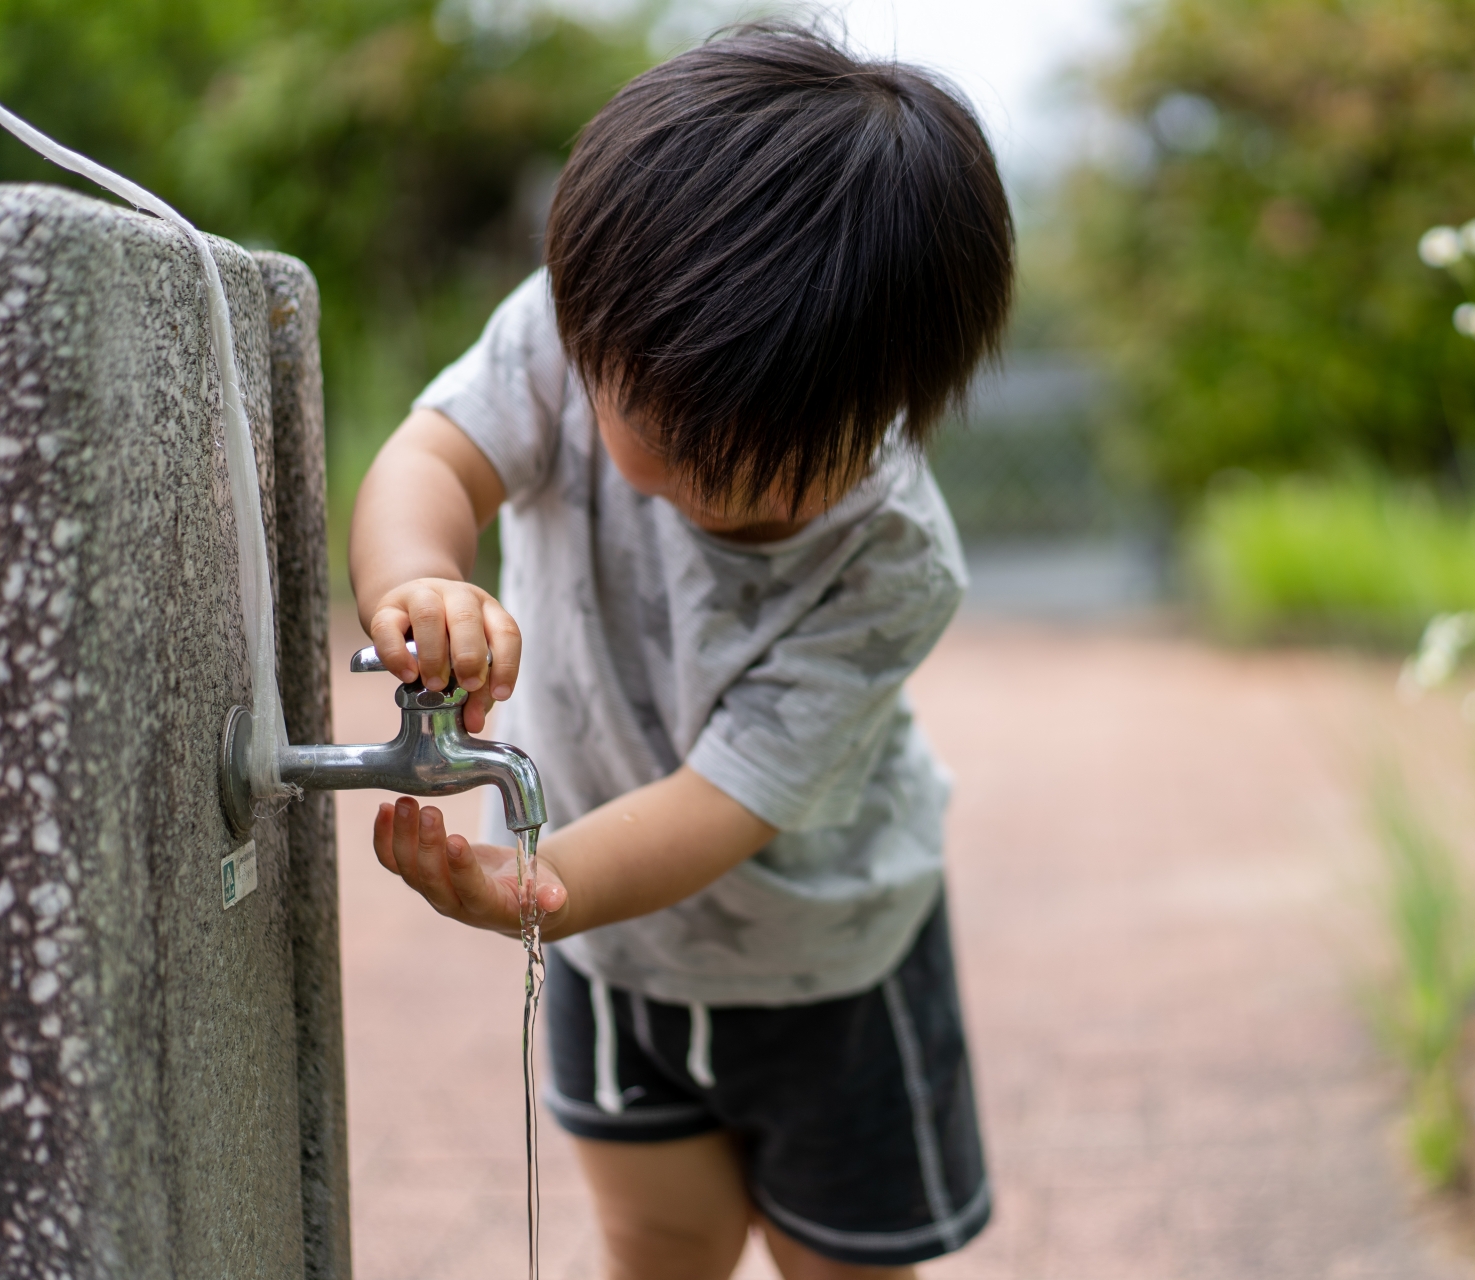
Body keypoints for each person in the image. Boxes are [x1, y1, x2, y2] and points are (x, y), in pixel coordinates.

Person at [347, 22, 1014, 1280]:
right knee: (657, 1241)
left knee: (846, 1260)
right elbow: (429, 459)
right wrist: (420, 577)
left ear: (877, 408)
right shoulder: (571, 329)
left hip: (832, 957)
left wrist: (533, 888)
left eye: (732, 456)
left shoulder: (891, 564)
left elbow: (724, 800)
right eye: (636, 411)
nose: (657, 468)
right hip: (614, 955)